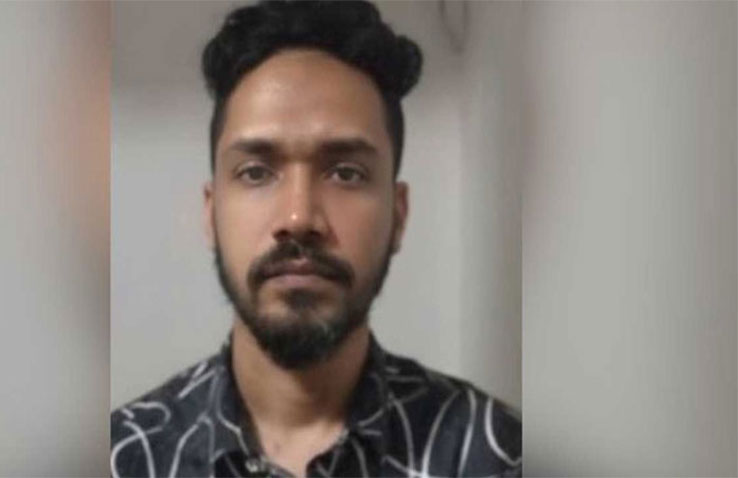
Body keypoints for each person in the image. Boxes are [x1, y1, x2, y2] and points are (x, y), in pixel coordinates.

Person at [111, 1, 521, 476]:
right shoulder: (122, 458)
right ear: (211, 212)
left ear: (398, 215)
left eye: (346, 173)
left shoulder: (499, 457)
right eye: (256, 172)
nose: (299, 217)